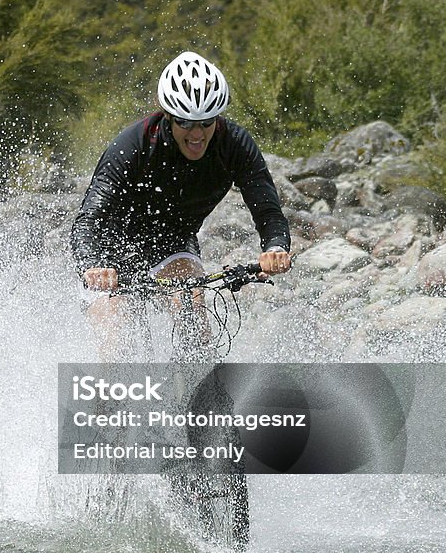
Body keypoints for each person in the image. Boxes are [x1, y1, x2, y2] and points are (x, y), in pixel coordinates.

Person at [70, 51, 292, 357]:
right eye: (185, 122)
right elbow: (88, 219)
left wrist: (276, 246)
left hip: (171, 241)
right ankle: (107, 404)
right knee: (116, 343)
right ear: (168, 115)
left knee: (192, 308)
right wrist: (93, 263)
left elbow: (267, 209)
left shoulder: (236, 145)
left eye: (206, 121)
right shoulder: (133, 145)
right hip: (109, 249)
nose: (197, 133)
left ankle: (199, 397)